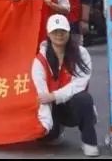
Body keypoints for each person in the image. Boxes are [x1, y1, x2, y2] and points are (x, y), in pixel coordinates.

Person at [32, 14, 99, 157]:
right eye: (55, 31)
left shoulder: (81, 53)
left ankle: (89, 141)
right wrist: (45, 125)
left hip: (72, 103)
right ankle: (55, 131)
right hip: (51, 106)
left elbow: (80, 84)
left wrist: (55, 96)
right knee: (47, 137)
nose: (59, 35)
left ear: (69, 32)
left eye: (63, 31)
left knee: (84, 98)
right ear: (48, 34)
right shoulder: (40, 60)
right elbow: (42, 94)